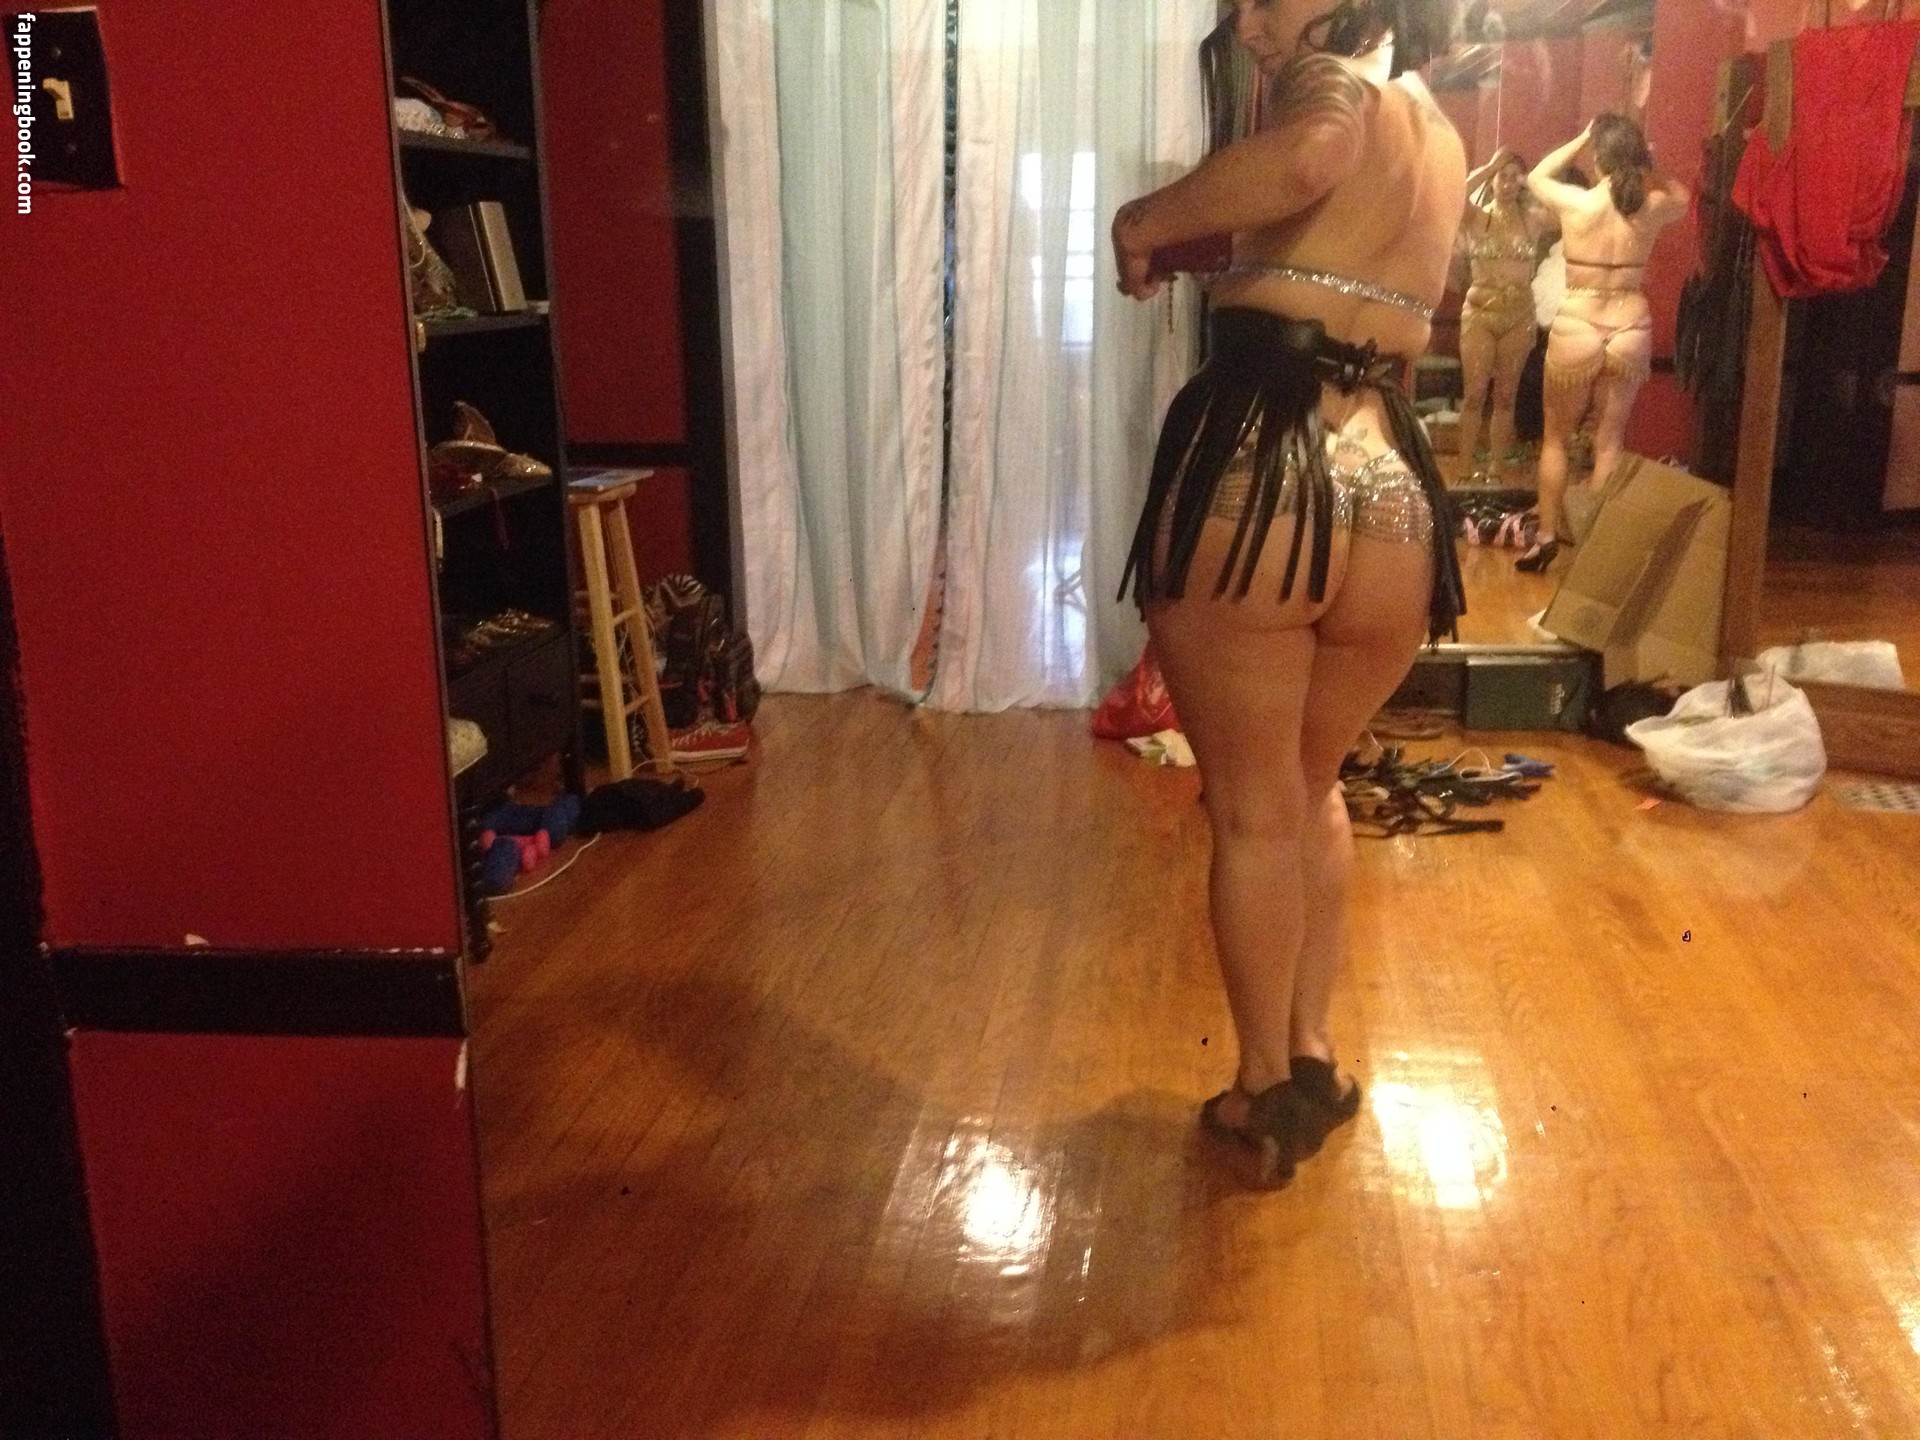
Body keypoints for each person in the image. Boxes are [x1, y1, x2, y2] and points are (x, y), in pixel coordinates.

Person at [1109, 0, 1465, 1187]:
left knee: (1256, 808)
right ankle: (1311, 1055)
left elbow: (1311, 153)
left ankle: (1262, 1088)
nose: (1248, 19)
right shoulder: (1440, 133)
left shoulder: (1335, 82)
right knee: (1314, 789)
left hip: (1263, 459)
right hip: (1391, 476)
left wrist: (1143, 221)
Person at [1519, 113, 1687, 571]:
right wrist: (1650, 163)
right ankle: (1593, 544)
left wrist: (1580, 137)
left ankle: (1546, 537)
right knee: (1609, 442)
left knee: (1556, 438)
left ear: (1597, 157)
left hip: (1578, 321)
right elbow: (1683, 196)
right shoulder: (1651, 206)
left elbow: (1537, 176)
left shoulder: (1577, 203)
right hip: (1629, 323)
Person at [1456, 148, 1549, 482]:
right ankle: (1463, 470)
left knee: (1506, 397)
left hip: (1519, 316)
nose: (1508, 184)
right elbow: (1456, 192)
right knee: (1474, 395)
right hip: (1480, 314)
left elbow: (1560, 210)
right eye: (1502, 177)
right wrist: (1488, 167)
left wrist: (1532, 181)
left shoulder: (1532, 219)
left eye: (1514, 178)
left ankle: (1497, 468)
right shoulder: (1477, 218)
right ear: (1493, 181)